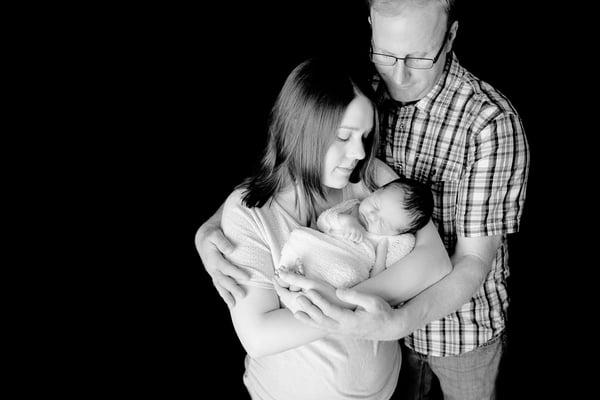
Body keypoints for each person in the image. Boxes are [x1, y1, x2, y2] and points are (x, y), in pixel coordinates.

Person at [196, 1, 529, 399]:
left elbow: (467, 261)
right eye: (386, 54)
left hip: (458, 329)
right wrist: (211, 227)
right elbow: (286, 169)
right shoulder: (361, 90)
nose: (399, 73)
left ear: (451, 36)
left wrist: (378, 318)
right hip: (387, 350)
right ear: (371, 27)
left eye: (419, 57)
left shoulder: (488, 123)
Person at [211, 58, 451, 400]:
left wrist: (333, 302)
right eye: (343, 136)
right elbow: (260, 335)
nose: (358, 152)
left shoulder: (371, 180)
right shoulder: (250, 211)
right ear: (301, 129)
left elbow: (435, 263)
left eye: (364, 136)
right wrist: (356, 306)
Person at [276, 176, 434, 287]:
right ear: (374, 192)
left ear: (397, 233)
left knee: (348, 274)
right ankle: (289, 277)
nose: (372, 216)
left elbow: (380, 274)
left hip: (344, 267)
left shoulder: (388, 242)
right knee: (300, 239)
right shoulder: (352, 207)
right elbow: (323, 222)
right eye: (375, 205)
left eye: (383, 223)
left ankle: (297, 282)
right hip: (319, 248)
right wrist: (345, 221)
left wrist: (380, 259)